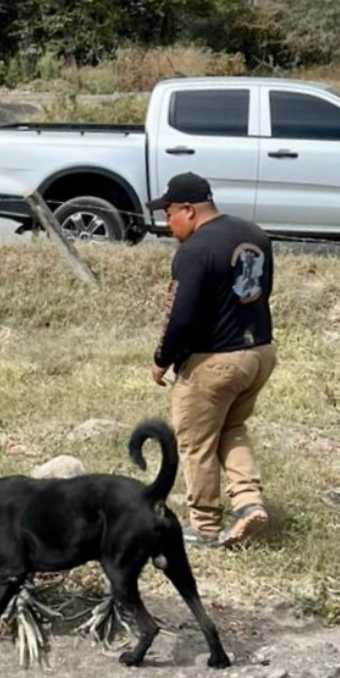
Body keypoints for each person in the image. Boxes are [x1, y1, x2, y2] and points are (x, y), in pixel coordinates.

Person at [147, 173, 277, 549]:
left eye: (169, 213)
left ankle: (204, 526)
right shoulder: (255, 234)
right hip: (260, 354)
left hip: (215, 362)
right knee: (231, 428)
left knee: (196, 442)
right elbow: (263, 291)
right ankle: (248, 501)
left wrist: (161, 359)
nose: (167, 223)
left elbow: (179, 315)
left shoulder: (194, 251)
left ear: (189, 210)